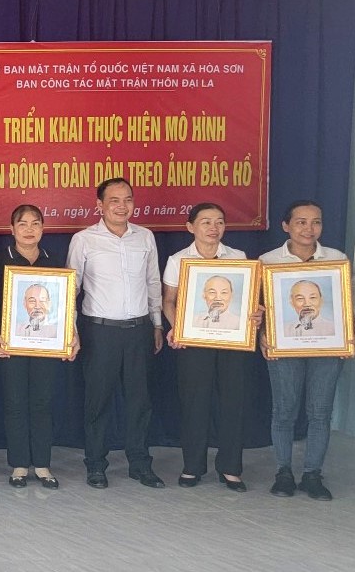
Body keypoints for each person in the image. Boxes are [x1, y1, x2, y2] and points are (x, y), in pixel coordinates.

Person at [67, 178, 165, 489]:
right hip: (100, 332)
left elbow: (153, 283)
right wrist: (71, 330)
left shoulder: (145, 237)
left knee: (140, 401)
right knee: (98, 401)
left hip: (139, 330)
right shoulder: (84, 240)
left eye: (128, 200)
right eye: (114, 200)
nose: (122, 206)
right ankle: (96, 464)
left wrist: (157, 324)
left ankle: (140, 463)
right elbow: (71, 288)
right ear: (100, 205)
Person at [259, 200, 353, 501]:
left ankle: (313, 474)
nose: (309, 229)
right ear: (286, 226)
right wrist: (262, 335)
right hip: (283, 347)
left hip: (327, 347)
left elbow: (347, 303)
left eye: (316, 222)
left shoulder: (337, 259)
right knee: (284, 411)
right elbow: (258, 309)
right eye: (301, 222)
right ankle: (283, 473)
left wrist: (348, 334)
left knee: (320, 413)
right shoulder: (267, 261)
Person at [160, 202, 253, 492]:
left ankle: (231, 468)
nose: (214, 228)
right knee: (194, 403)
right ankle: (192, 466)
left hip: (231, 341)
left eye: (220, 222)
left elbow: (247, 300)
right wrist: (178, 328)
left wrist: (253, 314)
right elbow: (169, 301)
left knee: (232, 403)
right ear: (191, 227)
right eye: (206, 222)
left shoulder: (238, 257)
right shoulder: (178, 260)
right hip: (194, 342)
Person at [0, 204, 78, 489]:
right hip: (10, 345)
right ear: (12, 229)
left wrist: (72, 334)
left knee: (42, 403)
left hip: (46, 344)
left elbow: (66, 304)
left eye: (35, 223)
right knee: (14, 403)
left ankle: (42, 464)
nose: (29, 229)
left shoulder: (54, 262)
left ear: (43, 228)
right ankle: (18, 464)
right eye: (23, 224)